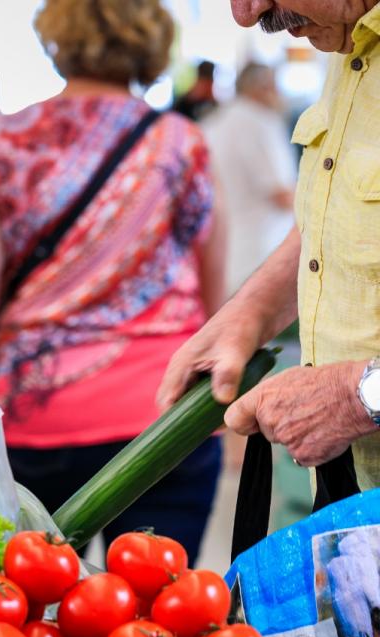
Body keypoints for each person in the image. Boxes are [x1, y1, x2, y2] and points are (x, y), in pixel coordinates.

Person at [0, 0, 227, 564]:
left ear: (56, 36)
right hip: (164, 419)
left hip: (36, 417)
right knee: (155, 604)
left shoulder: (2, 141)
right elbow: (217, 297)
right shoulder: (182, 141)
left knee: (27, 599)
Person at [158, 0, 380, 493]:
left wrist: (358, 394)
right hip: (354, 484)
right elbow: (334, 211)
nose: (247, 13)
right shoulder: (346, 40)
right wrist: (252, 312)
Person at [203, 62, 296, 295]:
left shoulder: (214, 122)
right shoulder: (260, 123)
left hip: (224, 253)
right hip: (261, 253)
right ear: (262, 87)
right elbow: (282, 195)